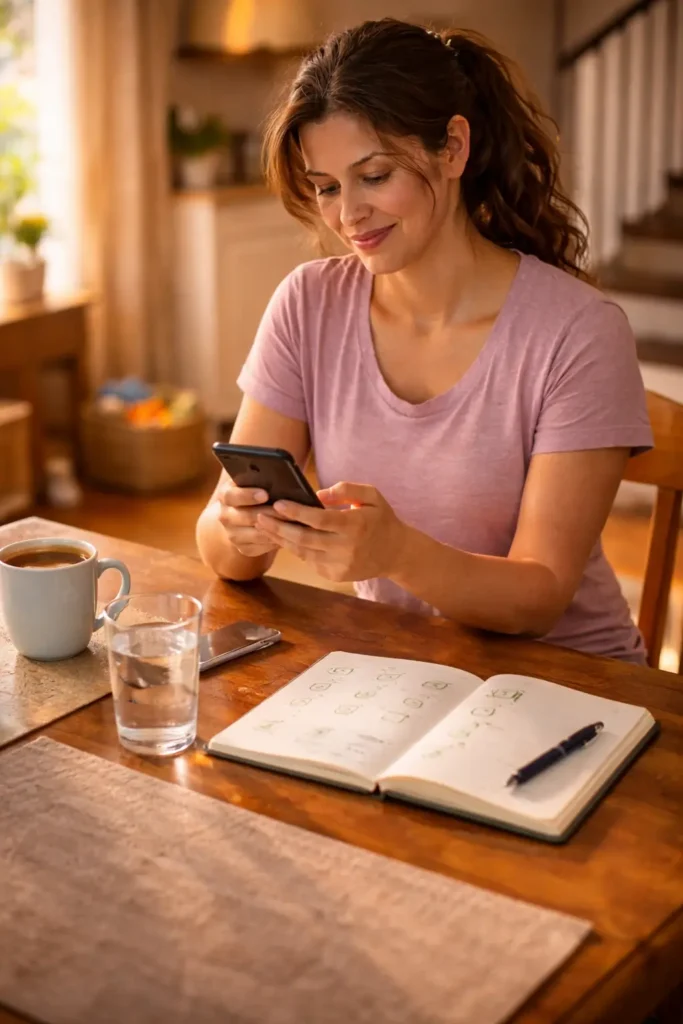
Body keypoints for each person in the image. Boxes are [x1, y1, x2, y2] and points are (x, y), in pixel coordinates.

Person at [196, 18, 653, 664]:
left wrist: (395, 552)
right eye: (326, 187)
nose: (347, 215)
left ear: (453, 149)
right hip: (409, 675)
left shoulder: (578, 333)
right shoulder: (307, 306)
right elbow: (217, 546)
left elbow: (541, 593)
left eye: (374, 176)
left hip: (572, 687)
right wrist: (238, 528)